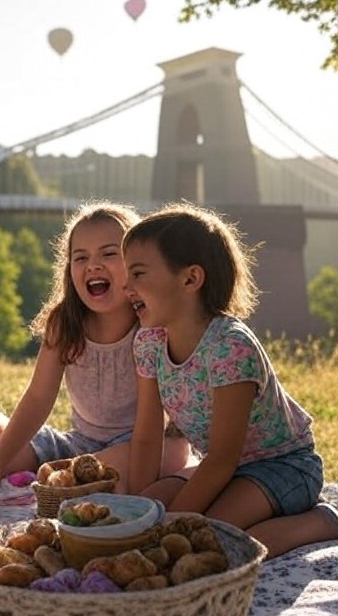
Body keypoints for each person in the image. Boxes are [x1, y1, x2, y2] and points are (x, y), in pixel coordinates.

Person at [0, 200, 194, 499]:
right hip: (77, 446)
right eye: (80, 257)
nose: (93, 265)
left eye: (109, 253)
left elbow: (150, 432)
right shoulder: (64, 323)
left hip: (148, 446)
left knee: (101, 474)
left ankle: (35, 498)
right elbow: (38, 398)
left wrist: (64, 471)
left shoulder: (152, 327)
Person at [123, 201, 338, 557]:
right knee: (146, 510)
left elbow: (223, 457)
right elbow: (146, 436)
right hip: (224, 468)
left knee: (210, 540)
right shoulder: (149, 343)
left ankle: (321, 522)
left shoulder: (230, 348)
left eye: (139, 274)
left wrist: (172, 524)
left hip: (282, 466)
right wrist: (140, 515)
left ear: (190, 278)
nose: (126, 286)